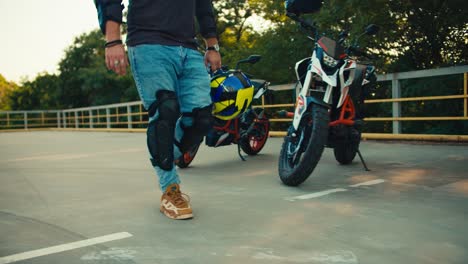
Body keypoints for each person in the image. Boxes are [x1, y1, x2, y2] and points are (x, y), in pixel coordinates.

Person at [94, 0, 222, 220]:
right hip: (148, 43)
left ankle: (161, 153)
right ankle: (170, 190)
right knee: (165, 112)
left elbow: (203, 5)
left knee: (201, 118)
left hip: (189, 48)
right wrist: (113, 39)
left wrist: (212, 45)